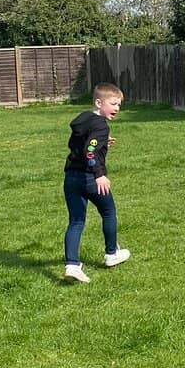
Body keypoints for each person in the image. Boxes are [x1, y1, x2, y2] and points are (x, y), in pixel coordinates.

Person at [63, 82, 130, 283]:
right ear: (99, 102)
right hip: (91, 178)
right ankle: (111, 254)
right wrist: (99, 174)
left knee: (76, 221)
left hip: (71, 178)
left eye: (119, 105)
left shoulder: (83, 119)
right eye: (113, 103)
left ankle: (72, 265)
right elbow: (89, 151)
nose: (117, 108)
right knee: (109, 212)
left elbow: (84, 143)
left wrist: (102, 142)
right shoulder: (101, 125)